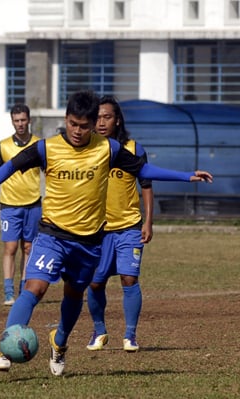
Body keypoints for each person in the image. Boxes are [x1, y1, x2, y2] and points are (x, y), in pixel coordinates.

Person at [0, 90, 212, 376]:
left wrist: (185, 175)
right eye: (73, 124)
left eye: (84, 126)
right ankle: (7, 346)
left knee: (74, 295)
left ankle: (60, 344)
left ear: (93, 125)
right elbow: (9, 167)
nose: (77, 131)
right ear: (66, 120)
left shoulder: (108, 149)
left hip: (88, 243)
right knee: (34, 288)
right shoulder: (47, 148)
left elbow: (143, 169)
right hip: (52, 235)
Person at [85, 96, 153, 353]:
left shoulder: (134, 149)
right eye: (98, 118)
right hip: (97, 230)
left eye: (107, 117)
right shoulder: (88, 150)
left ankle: (130, 335)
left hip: (129, 227)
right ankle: (99, 330)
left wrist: (148, 221)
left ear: (117, 120)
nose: (101, 123)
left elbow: (146, 185)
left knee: (129, 278)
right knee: (94, 282)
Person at [0, 104, 41, 306]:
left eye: (23, 120)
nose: (20, 124)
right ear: (12, 122)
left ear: (29, 120)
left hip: (33, 203)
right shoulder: (4, 145)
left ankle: (25, 289)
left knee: (28, 247)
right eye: (17, 120)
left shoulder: (39, 145)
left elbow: (51, 171)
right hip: (9, 204)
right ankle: (8, 292)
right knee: (11, 247)